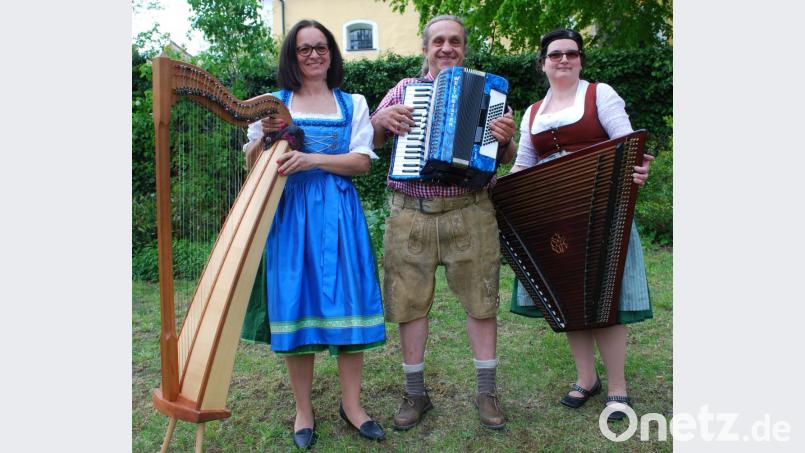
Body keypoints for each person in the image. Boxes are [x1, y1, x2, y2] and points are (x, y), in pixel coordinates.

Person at [242, 19, 386, 448]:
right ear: (292, 55)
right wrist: (265, 140)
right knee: (296, 303)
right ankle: (303, 410)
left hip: (339, 213)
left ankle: (352, 405)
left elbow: (362, 162)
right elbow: (251, 166)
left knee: (349, 302)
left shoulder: (352, 102)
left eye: (321, 47)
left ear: (331, 53)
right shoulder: (273, 105)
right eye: (304, 49)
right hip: (290, 214)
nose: (313, 55)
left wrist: (313, 160)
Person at [370, 15, 517, 430]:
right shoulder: (403, 90)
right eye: (438, 41)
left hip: (471, 210)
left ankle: (486, 392)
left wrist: (506, 138)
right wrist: (381, 121)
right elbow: (372, 141)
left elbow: (506, 157)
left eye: (454, 41)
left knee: (482, 301)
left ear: (464, 49)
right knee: (408, 304)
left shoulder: (491, 93)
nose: (446, 48)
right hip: (410, 212)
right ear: (425, 49)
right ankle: (415, 394)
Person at [508, 28, 655, 421]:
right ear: (543, 63)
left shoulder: (599, 94)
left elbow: (627, 143)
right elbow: (523, 165)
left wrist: (639, 166)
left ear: (580, 60)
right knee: (568, 295)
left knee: (606, 298)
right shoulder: (533, 112)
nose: (563, 60)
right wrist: (502, 191)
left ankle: (618, 386)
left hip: (602, 208)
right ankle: (586, 378)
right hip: (554, 216)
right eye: (555, 54)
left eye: (571, 53)